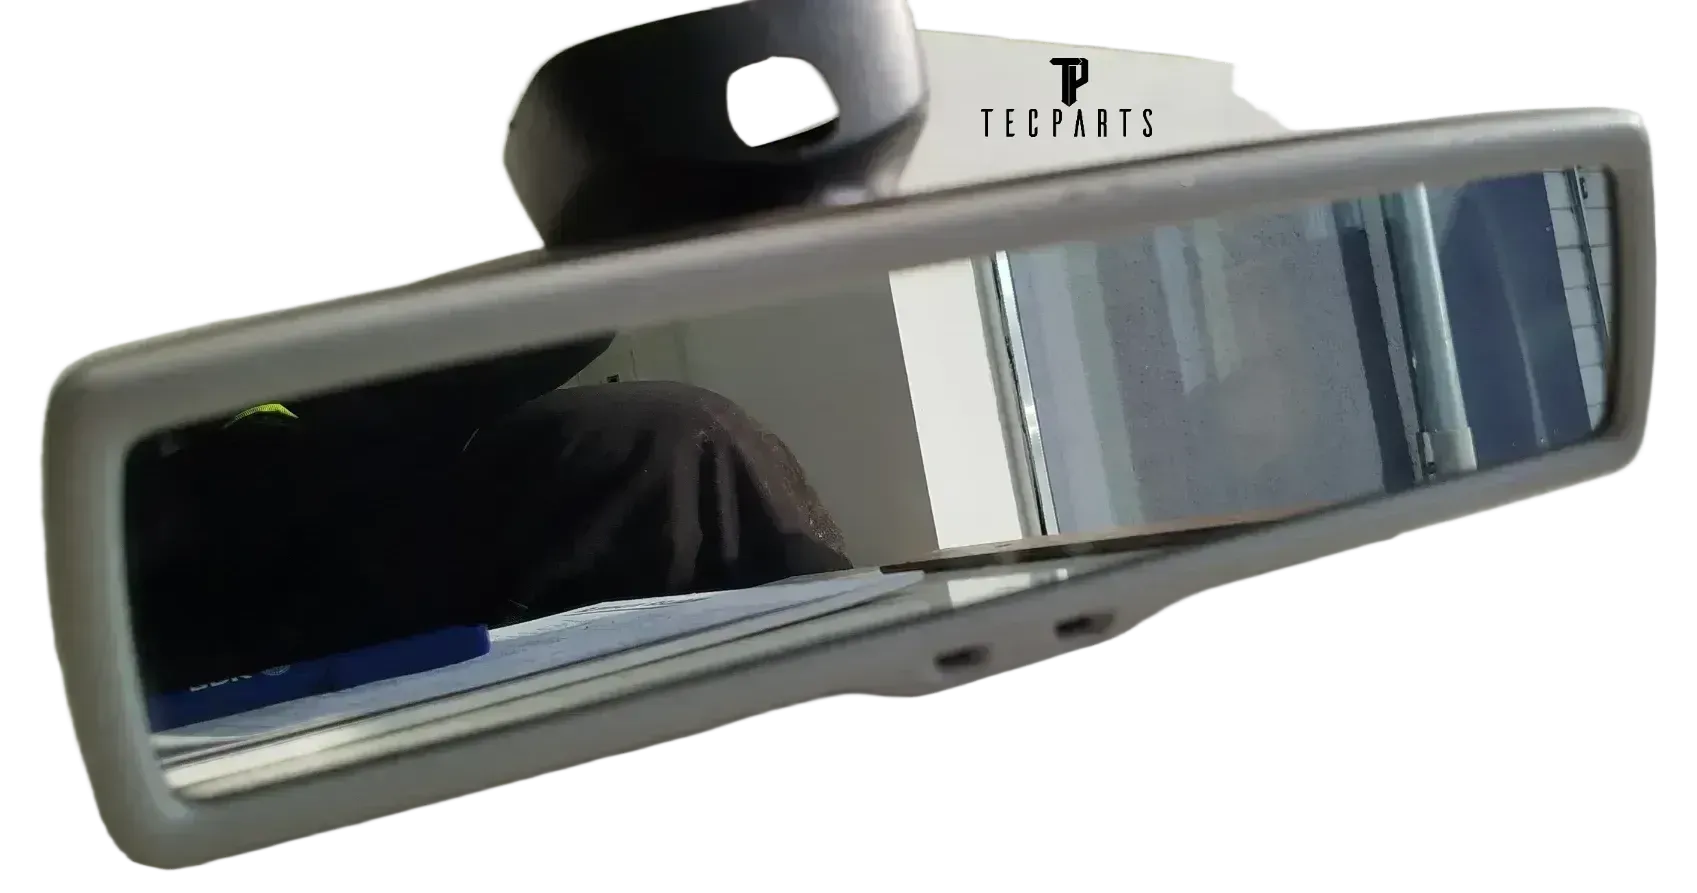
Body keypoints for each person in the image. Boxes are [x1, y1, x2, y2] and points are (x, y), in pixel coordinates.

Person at [124, 333, 854, 696]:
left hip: (343, 481)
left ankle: (834, 666)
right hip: (201, 560)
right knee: (669, 449)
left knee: (675, 440)